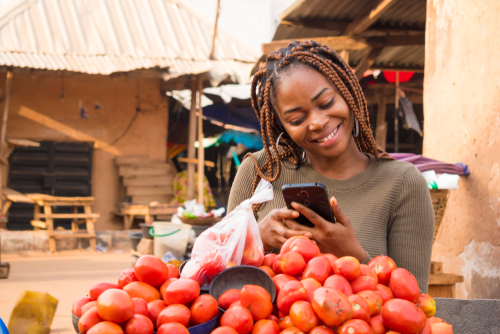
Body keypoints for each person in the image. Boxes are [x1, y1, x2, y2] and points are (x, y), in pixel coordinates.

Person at [227, 40, 434, 292]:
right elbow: (217, 277)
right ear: (281, 125)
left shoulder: (402, 185)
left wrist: (354, 256)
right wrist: (254, 237)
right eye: (297, 119)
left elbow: (415, 310)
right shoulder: (259, 171)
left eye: (326, 103)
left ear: (346, 93)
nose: (317, 122)